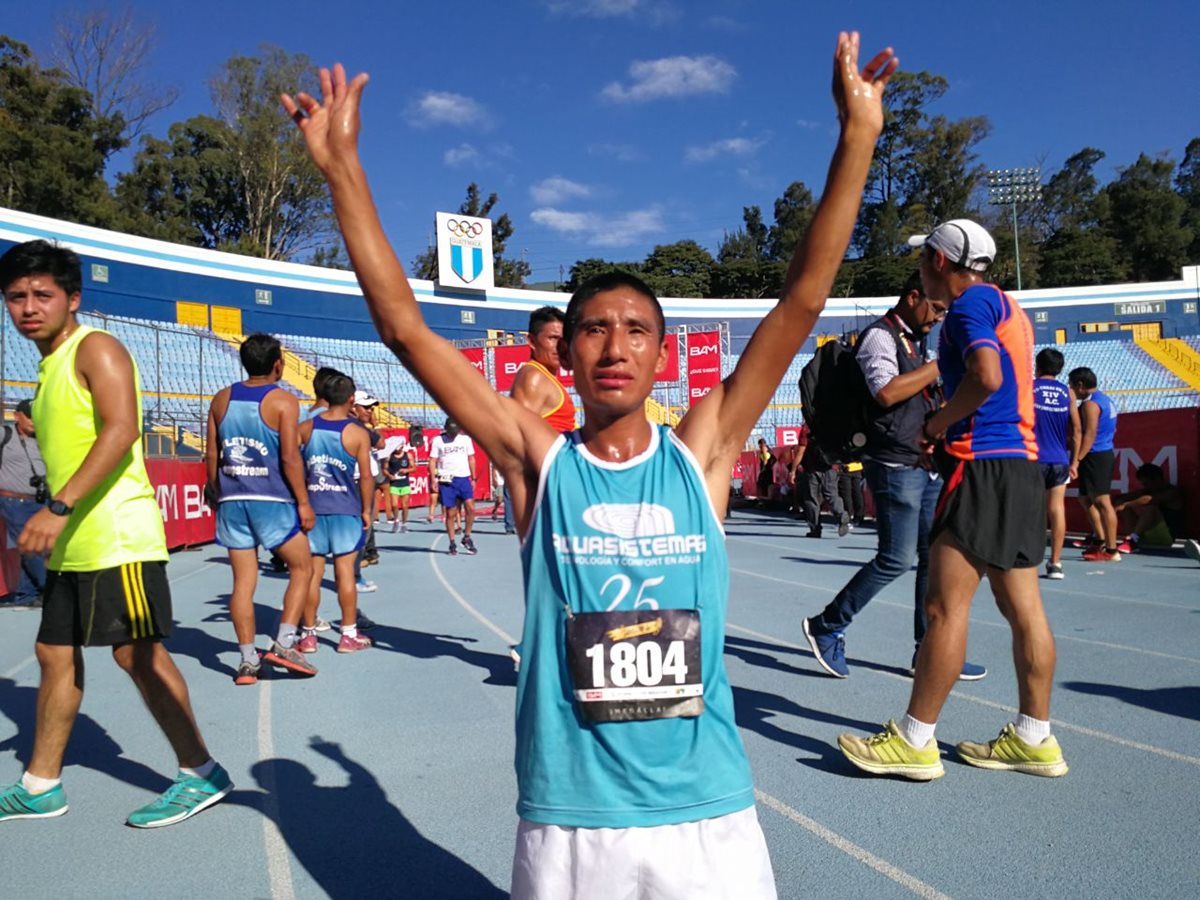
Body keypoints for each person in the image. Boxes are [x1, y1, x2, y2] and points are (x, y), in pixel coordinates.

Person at [283, 32, 895, 896]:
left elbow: (801, 300)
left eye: (636, 329)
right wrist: (343, 167)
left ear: (662, 354)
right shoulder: (539, 463)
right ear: (565, 354)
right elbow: (406, 331)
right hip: (573, 818)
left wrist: (857, 136)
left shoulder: (704, 453)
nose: (615, 345)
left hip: (707, 813)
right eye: (595, 330)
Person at [0, 239, 230, 825]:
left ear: (71, 298)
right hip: (77, 542)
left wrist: (59, 505)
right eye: (16, 297)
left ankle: (201, 771)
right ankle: (41, 783)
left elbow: (123, 428)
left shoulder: (94, 347)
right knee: (53, 652)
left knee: (137, 655)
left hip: (115, 534)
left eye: (42, 295)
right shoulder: (49, 369)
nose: (28, 307)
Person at [839, 219, 1068, 781]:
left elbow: (986, 377)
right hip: (1022, 467)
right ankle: (1035, 737)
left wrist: (938, 425)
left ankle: (916, 740)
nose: (918, 268)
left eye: (923, 260)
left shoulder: (967, 307)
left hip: (980, 467)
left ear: (939, 261)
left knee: (944, 608)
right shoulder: (1005, 305)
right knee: (1025, 611)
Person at [800, 277, 985, 680]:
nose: (938, 319)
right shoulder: (879, 338)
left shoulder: (915, 343)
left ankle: (929, 650)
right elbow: (885, 392)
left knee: (931, 561)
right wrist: (940, 366)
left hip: (923, 462)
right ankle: (827, 624)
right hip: (894, 464)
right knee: (896, 558)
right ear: (913, 297)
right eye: (935, 309)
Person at [207, 333, 318, 684]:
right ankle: (285, 641)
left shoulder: (221, 399)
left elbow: (212, 453)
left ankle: (246, 662)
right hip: (271, 500)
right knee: (302, 568)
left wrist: (214, 489)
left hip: (232, 499)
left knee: (243, 583)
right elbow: (289, 457)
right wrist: (303, 502)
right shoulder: (284, 401)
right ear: (278, 364)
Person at [297, 372, 374, 654]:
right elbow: (366, 477)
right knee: (344, 575)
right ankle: (348, 635)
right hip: (345, 510)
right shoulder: (357, 433)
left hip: (314, 510)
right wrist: (366, 510)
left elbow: (290, 464)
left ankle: (307, 636)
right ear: (352, 400)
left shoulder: (305, 428)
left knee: (311, 576)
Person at [505, 306, 577, 531]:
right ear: (532, 341)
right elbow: (517, 440)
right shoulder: (534, 379)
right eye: (553, 338)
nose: (560, 346)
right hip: (549, 492)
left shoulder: (545, 377)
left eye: (564, 339)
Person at [1033, 349, 1080, 579]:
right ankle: (1056, 563)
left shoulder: (1030, 388)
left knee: (1032, 510)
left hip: (1034, 458)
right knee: (1057, 509)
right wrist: (1075, 461)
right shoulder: (1068, 392)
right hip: (1060, 459)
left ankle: (1028, 560)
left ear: (1037, 365)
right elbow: (1077, 430)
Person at [1069, 366, 1121, 562]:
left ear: (1081, 385)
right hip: (1100, 453)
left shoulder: (1091, 405)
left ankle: (1111, 549)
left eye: (1072, 385)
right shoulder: (1105, 399)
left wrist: (1077, 459)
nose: (1071, 389)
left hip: (1095, 455)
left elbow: (1088, 434)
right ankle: (1099, 539)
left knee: (1102, 501)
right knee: (1085, 499)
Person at [0, 399, 48, 607]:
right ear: (17, 415)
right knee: (31, 547)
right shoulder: (6, 435)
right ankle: (51, 589)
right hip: (14, 502)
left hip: (42, 501)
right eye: (29, 416)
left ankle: (26, 595)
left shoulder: (45, 439)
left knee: (34, 548)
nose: (34, 421)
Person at [428, 418, 477, 556]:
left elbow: (471, 458)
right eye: (451, 431)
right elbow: (432, 460)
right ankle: (452, 542)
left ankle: (467, 537)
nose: (453, 433)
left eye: (456, 431)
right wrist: (433, 479)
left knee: (471, 508)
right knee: (451, 513)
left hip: (463, 478)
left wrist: (473, 477)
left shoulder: (465, 440)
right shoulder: (438, 441)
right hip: (446, 480)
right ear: (446, 429)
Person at [1113, 463, 1185, 552]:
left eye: (1146, 483)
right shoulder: (1148, 490)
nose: (1145, 486)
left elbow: (1148, 499)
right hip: (1147, 535)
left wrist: (1125, 505)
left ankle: (1133, 540)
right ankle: (1129, 540)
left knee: (1150, 508)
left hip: (1166, 537)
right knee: (1121, 504)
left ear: (1157, 479)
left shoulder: (1172, 492)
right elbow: (1122, 497)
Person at [799, 440, 848, 537]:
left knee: (811, 499)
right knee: (832, 495)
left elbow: (802, 448)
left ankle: (815, 528)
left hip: (813, 468)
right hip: (830, 468)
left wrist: (797, 466)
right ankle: (841, 513)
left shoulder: (809, 432)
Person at [385, 433, 417, 533]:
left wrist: (406, 470)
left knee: (405, 505)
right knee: (394, 504)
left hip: (405, 483)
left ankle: (404, 523)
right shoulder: (390, 456)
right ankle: (396, 520)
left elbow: (414, 468)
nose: (397, 449)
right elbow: (384, 469)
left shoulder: (408, 455)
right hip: (394, 483)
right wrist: (390, 476)